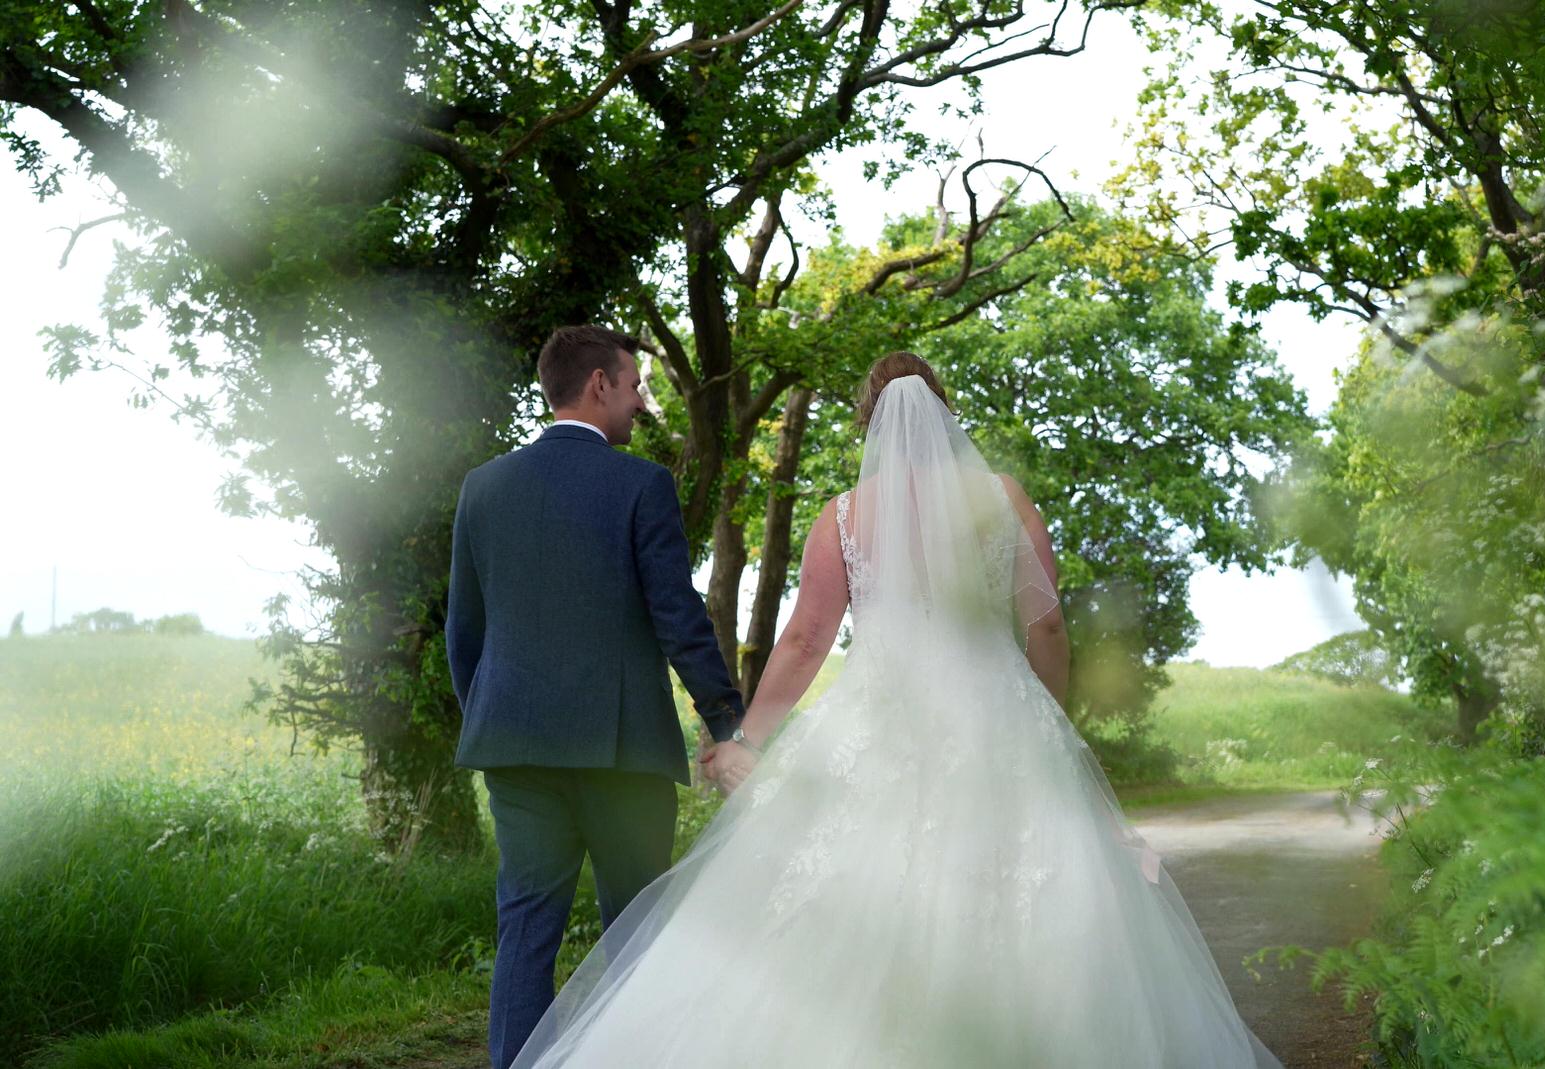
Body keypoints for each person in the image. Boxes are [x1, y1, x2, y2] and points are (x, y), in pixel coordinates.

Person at [509, 352, 1281, 1068]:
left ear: (867, 422)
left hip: (879, 717)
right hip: (997, 712)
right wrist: (1049, 716)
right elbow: (1044, 622)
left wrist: (748, 735)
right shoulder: (1001, 499)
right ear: (942, 412)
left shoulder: (843, 515)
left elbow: (808, 638)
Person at [446, 324, 748, 1069]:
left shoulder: (483, 485)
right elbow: (677, 616)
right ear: (600, 384)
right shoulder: (640, 484)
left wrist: (496, 720)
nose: (641, 401)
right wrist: (727, 723)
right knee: (637, 935)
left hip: (515, 747)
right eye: (637, 384)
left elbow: (465, 630)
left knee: (525, 931)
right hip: (623, 752)